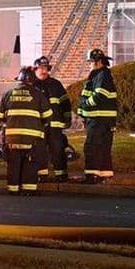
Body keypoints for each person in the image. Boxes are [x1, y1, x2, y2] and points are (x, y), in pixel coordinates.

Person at [0, 65, 52, 195]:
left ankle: (13, 189)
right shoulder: (38, 95)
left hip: (12, 139)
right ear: (32, 80)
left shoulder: (8, 94)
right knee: (30, 164)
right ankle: (28, 190)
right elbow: (48, 116)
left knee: (13, 165)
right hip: (31, 139)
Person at [78, 48, 117, 183]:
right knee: (103, 147)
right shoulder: (102, 75)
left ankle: (92, 176)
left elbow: (99, 96)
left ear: (98, 62)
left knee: (92, 147)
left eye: (91, 62)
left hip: (98, 119)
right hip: (102, 119)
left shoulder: (101, 75)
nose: (90, 64)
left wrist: (84, 104)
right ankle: (104, 174)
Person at [34, 55, 72, 182]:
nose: (44, 71)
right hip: (38, 126)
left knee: (58, 150)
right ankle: (41, 175)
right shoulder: (32, 86)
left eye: (46, 68)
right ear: (35, 70)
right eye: (41, 68)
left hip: (55, 125)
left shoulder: (56, 85)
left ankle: (61, 175)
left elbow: (65, 103)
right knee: (39, 151)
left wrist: (67, 119)